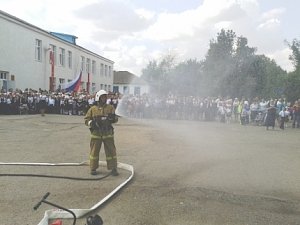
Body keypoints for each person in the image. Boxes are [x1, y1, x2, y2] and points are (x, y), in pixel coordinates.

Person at [84, 90, 119, 176]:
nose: (104, 98)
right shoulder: (93, 109)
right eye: (102, 97)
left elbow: (116, 119)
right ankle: (93, 168)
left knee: (111, 151)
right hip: (96, 134)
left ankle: (113, 168)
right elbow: (86, 119)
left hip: (108, 133)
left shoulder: (110, 108)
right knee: (94, 151)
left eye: (105, 97)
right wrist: (91, 123)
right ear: (98, 98)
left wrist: (113, 118)